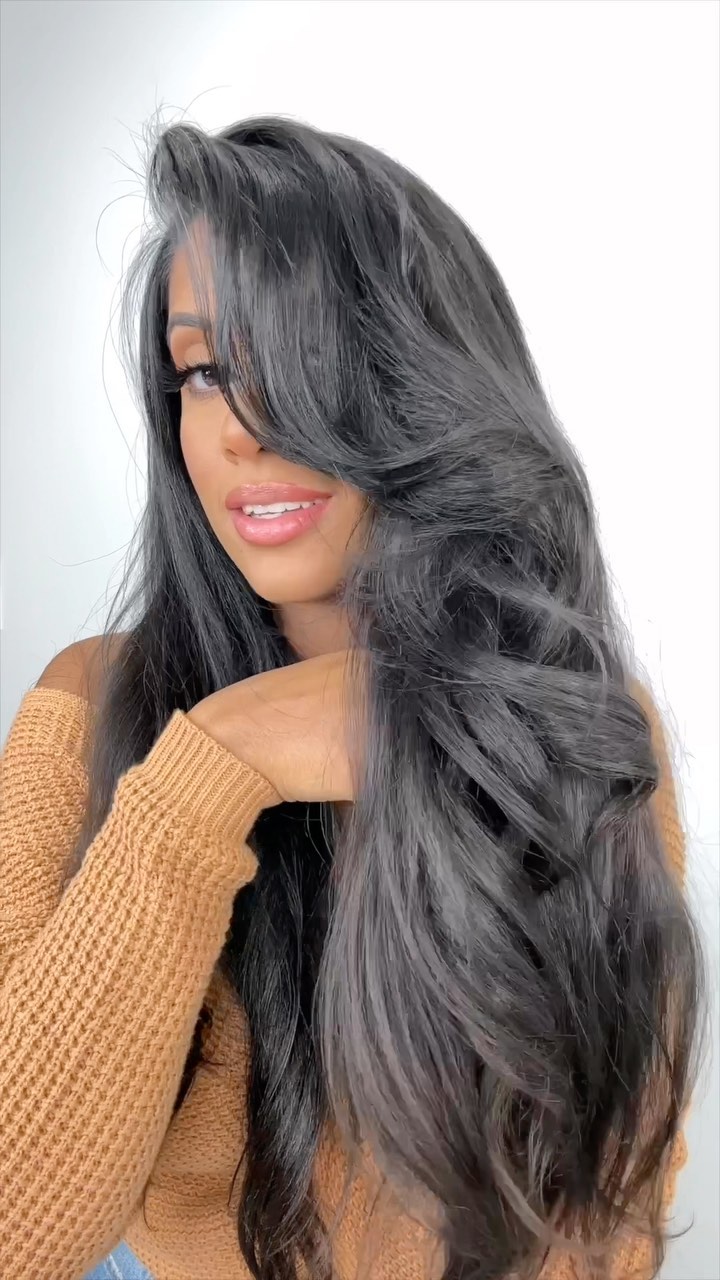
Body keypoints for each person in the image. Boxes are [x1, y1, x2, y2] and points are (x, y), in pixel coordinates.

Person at [0, 116, 703, 1280]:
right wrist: (215, 763)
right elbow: (16, 1228)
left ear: (424, 381)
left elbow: (608, 1208)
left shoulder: (560, 715)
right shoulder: (90, 703)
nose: (241, 428)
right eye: (202, 371)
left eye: (306, 355)